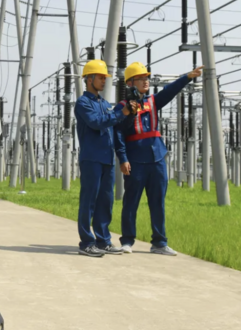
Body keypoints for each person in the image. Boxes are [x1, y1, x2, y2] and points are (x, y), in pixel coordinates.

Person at [114, 62, 204, 256]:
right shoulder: (122, 107)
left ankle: (159, 243)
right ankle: (127, 241)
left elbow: (169, 91)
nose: (146, 81)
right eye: (141, 79)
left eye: (146, 78)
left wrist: (187, 77)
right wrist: (123, 158)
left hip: (157, 159)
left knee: (158, 202)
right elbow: (118, 134)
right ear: (130, 83)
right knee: (131, 202)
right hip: (135, 160)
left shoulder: (153, 102)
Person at [75, 60, 137, 258]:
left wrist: (128, 114)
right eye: (101, 77)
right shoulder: (83, 103)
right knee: (89, 201)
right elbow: (96, 122)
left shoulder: (104, 104)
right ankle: (86, 243)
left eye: (105, 78)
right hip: (91, 158)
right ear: (89, 79)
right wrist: (121, 113)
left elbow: (114, 126)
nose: (104, 81)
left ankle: (103, 241)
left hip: (107, 160)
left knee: (105, 201)